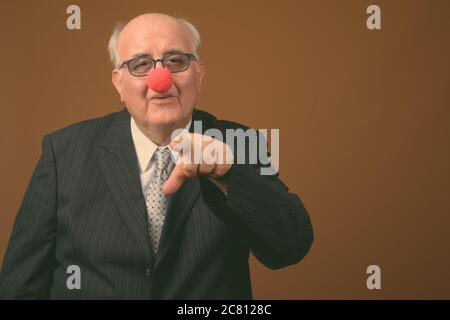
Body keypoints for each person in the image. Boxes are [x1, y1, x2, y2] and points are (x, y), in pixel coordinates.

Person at [0, 13, 313, 299]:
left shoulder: (239, 143)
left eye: (176, 61)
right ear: (119, 83)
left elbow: (290, 247)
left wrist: (228, 175)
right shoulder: (63, 151)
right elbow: (20, 284)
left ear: (199, 74)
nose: (159, 80)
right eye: (140, 65)